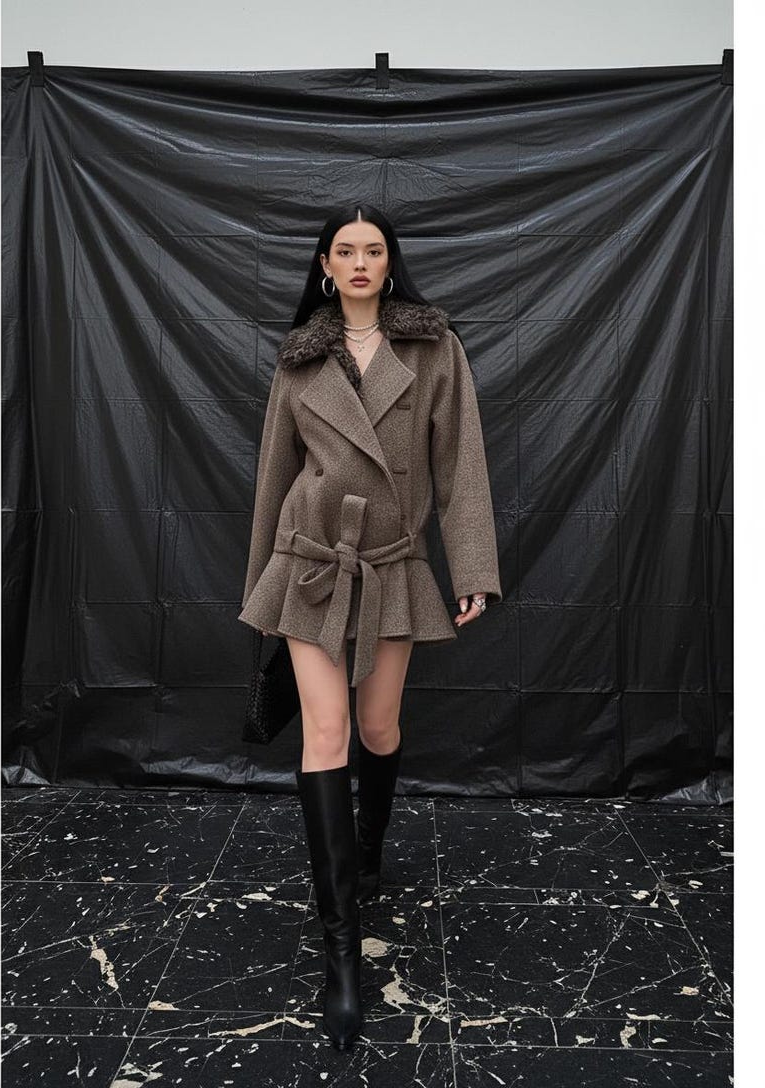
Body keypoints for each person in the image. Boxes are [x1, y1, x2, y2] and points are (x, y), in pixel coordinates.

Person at [238, 202, 502, 1050]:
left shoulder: (431, 349)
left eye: (373, 250)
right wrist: (261, 595)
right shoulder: (299, 358)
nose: (359, 263)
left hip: (390, 561)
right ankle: (342, 958)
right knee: (327, 730)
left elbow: (461, 461)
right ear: (324, 264)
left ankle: (372, 842)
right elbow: (274, 469)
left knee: (379, 725)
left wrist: (473, 572)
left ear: (391, 264)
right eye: (344, 250)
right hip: (311, 559)